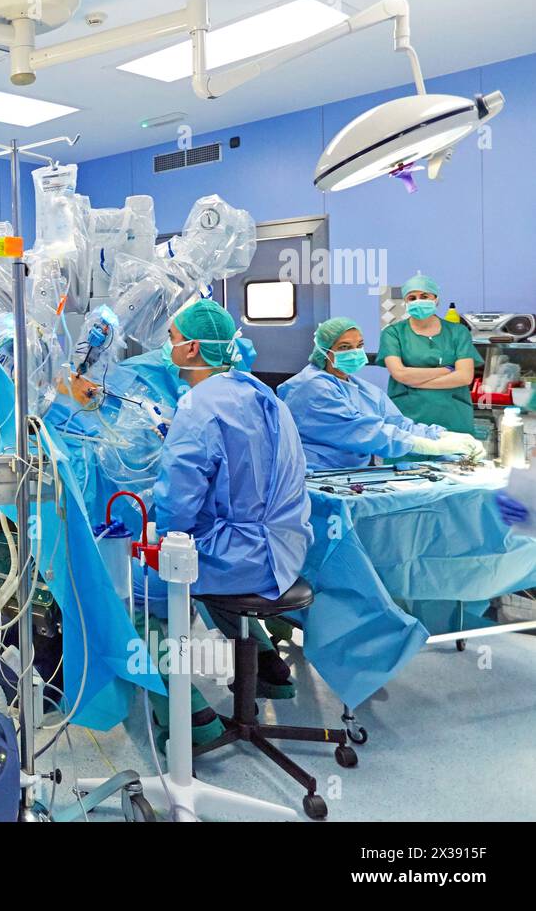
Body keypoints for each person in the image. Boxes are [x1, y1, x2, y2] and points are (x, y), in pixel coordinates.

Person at [144, 300, 315, 741]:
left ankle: (190, 717)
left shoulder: (199, 404)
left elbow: (178, 507)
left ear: (192, 348)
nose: (168, 347)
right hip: (286, 547)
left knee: (135, 589)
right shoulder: (261, 392)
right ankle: (268, 668)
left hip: (244, 557)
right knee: (204, 563)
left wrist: (155, 533)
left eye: (172, 339)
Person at [279, 317, 481, 470]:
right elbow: (362, 431)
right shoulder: (310, 387)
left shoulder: (363, 389)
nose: (355, 352)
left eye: (359, 346)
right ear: (324, 351)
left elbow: (399, 424)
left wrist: (441, 435)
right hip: (314, 474)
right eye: (344, 347)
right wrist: (431, 447)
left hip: (349, 473)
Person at [377, 275, 484, 436]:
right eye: (412, 298)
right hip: (409, 416)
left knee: (453, 452)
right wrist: (446, 370)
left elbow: (464, 377)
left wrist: (413, 382)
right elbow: (400, 374)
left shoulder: (458, 332)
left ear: (436, 299)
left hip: (453, 416)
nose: (418, 301)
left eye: (424, 296)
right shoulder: (393, 333)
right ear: (406, 302)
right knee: (410, 450)